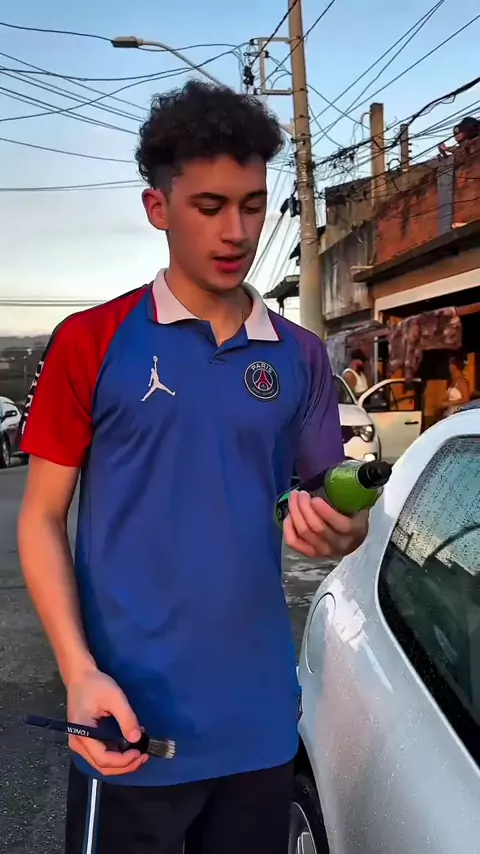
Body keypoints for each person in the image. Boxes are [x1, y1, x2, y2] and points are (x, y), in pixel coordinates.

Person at [17, 81, 369, 854]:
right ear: (159, 207)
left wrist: (344, 529)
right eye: (210, 206)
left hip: (258, 724)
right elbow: (40, 517)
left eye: (252, 205)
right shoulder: (92, 340)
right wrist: (77, 670)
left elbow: (332, 502)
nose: (236, 230)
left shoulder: (300, 356)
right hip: (127, 720)